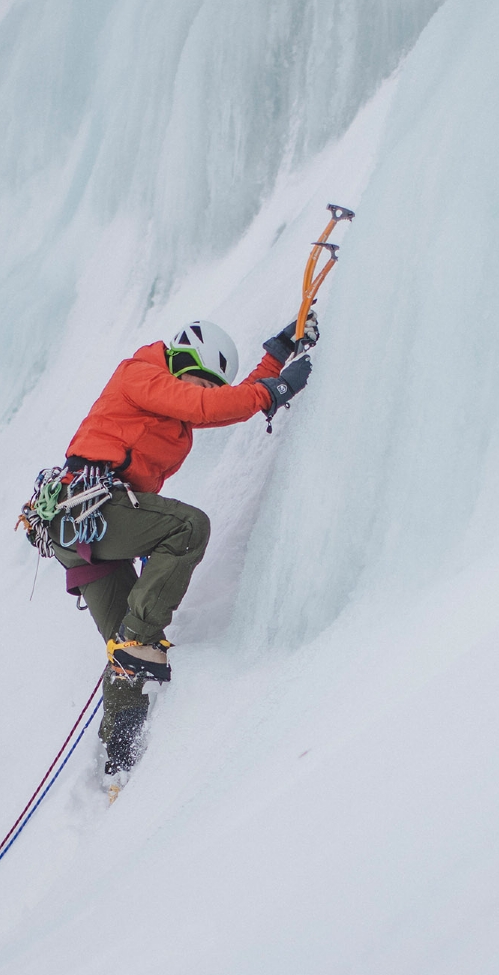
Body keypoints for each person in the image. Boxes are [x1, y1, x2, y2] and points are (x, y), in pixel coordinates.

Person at [34, 314, 316, 780]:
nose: (200, 390)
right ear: (180, 358)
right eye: (198, 378)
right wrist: (276, 391)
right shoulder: (141, 372)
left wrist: (278, 355)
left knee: (125, 651)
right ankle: (141, 642)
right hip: (89, 510)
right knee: (188, 528)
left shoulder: (175, 411)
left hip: (85, 527)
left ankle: (118, 761)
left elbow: (219, 402)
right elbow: (208, 405)